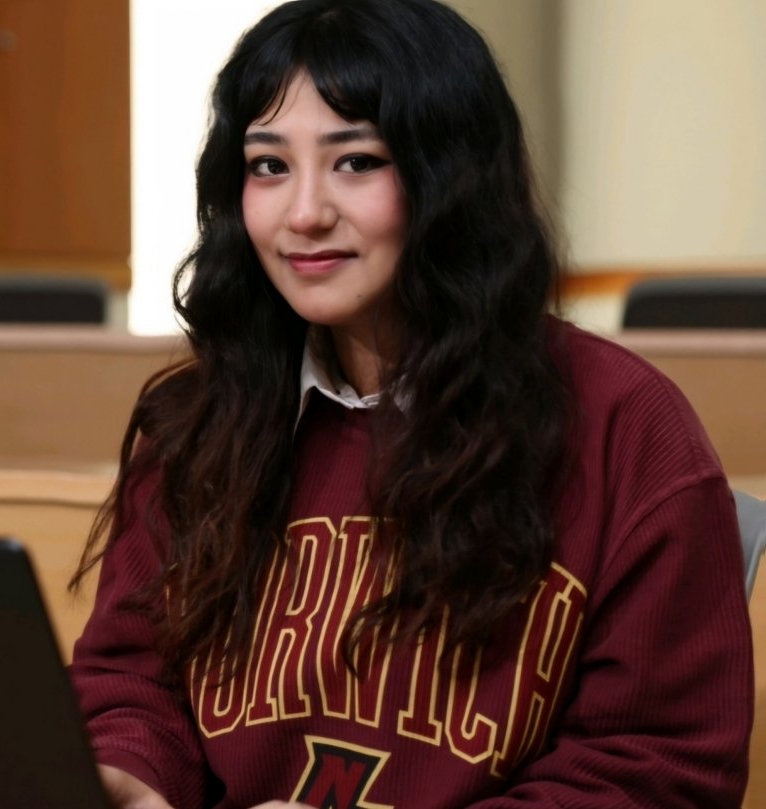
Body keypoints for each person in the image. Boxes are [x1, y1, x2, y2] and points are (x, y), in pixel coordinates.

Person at [69, 0, 754, 807]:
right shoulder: (199, 422)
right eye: (268, 166)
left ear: (449, 176)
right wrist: (127, 773)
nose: (304, 213)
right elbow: (129, 679)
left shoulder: (628, 429)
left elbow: (657, 770)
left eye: (356, 161)